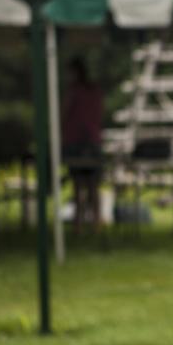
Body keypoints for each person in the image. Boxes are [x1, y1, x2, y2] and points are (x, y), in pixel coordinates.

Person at [62, 56, 103, 232]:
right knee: (93, 185)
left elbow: (62, 113)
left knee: (78, 185)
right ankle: (95, 222)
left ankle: (78, 224)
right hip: (93, 141)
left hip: (76, 142)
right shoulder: (95, 91)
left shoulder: (74, 91)